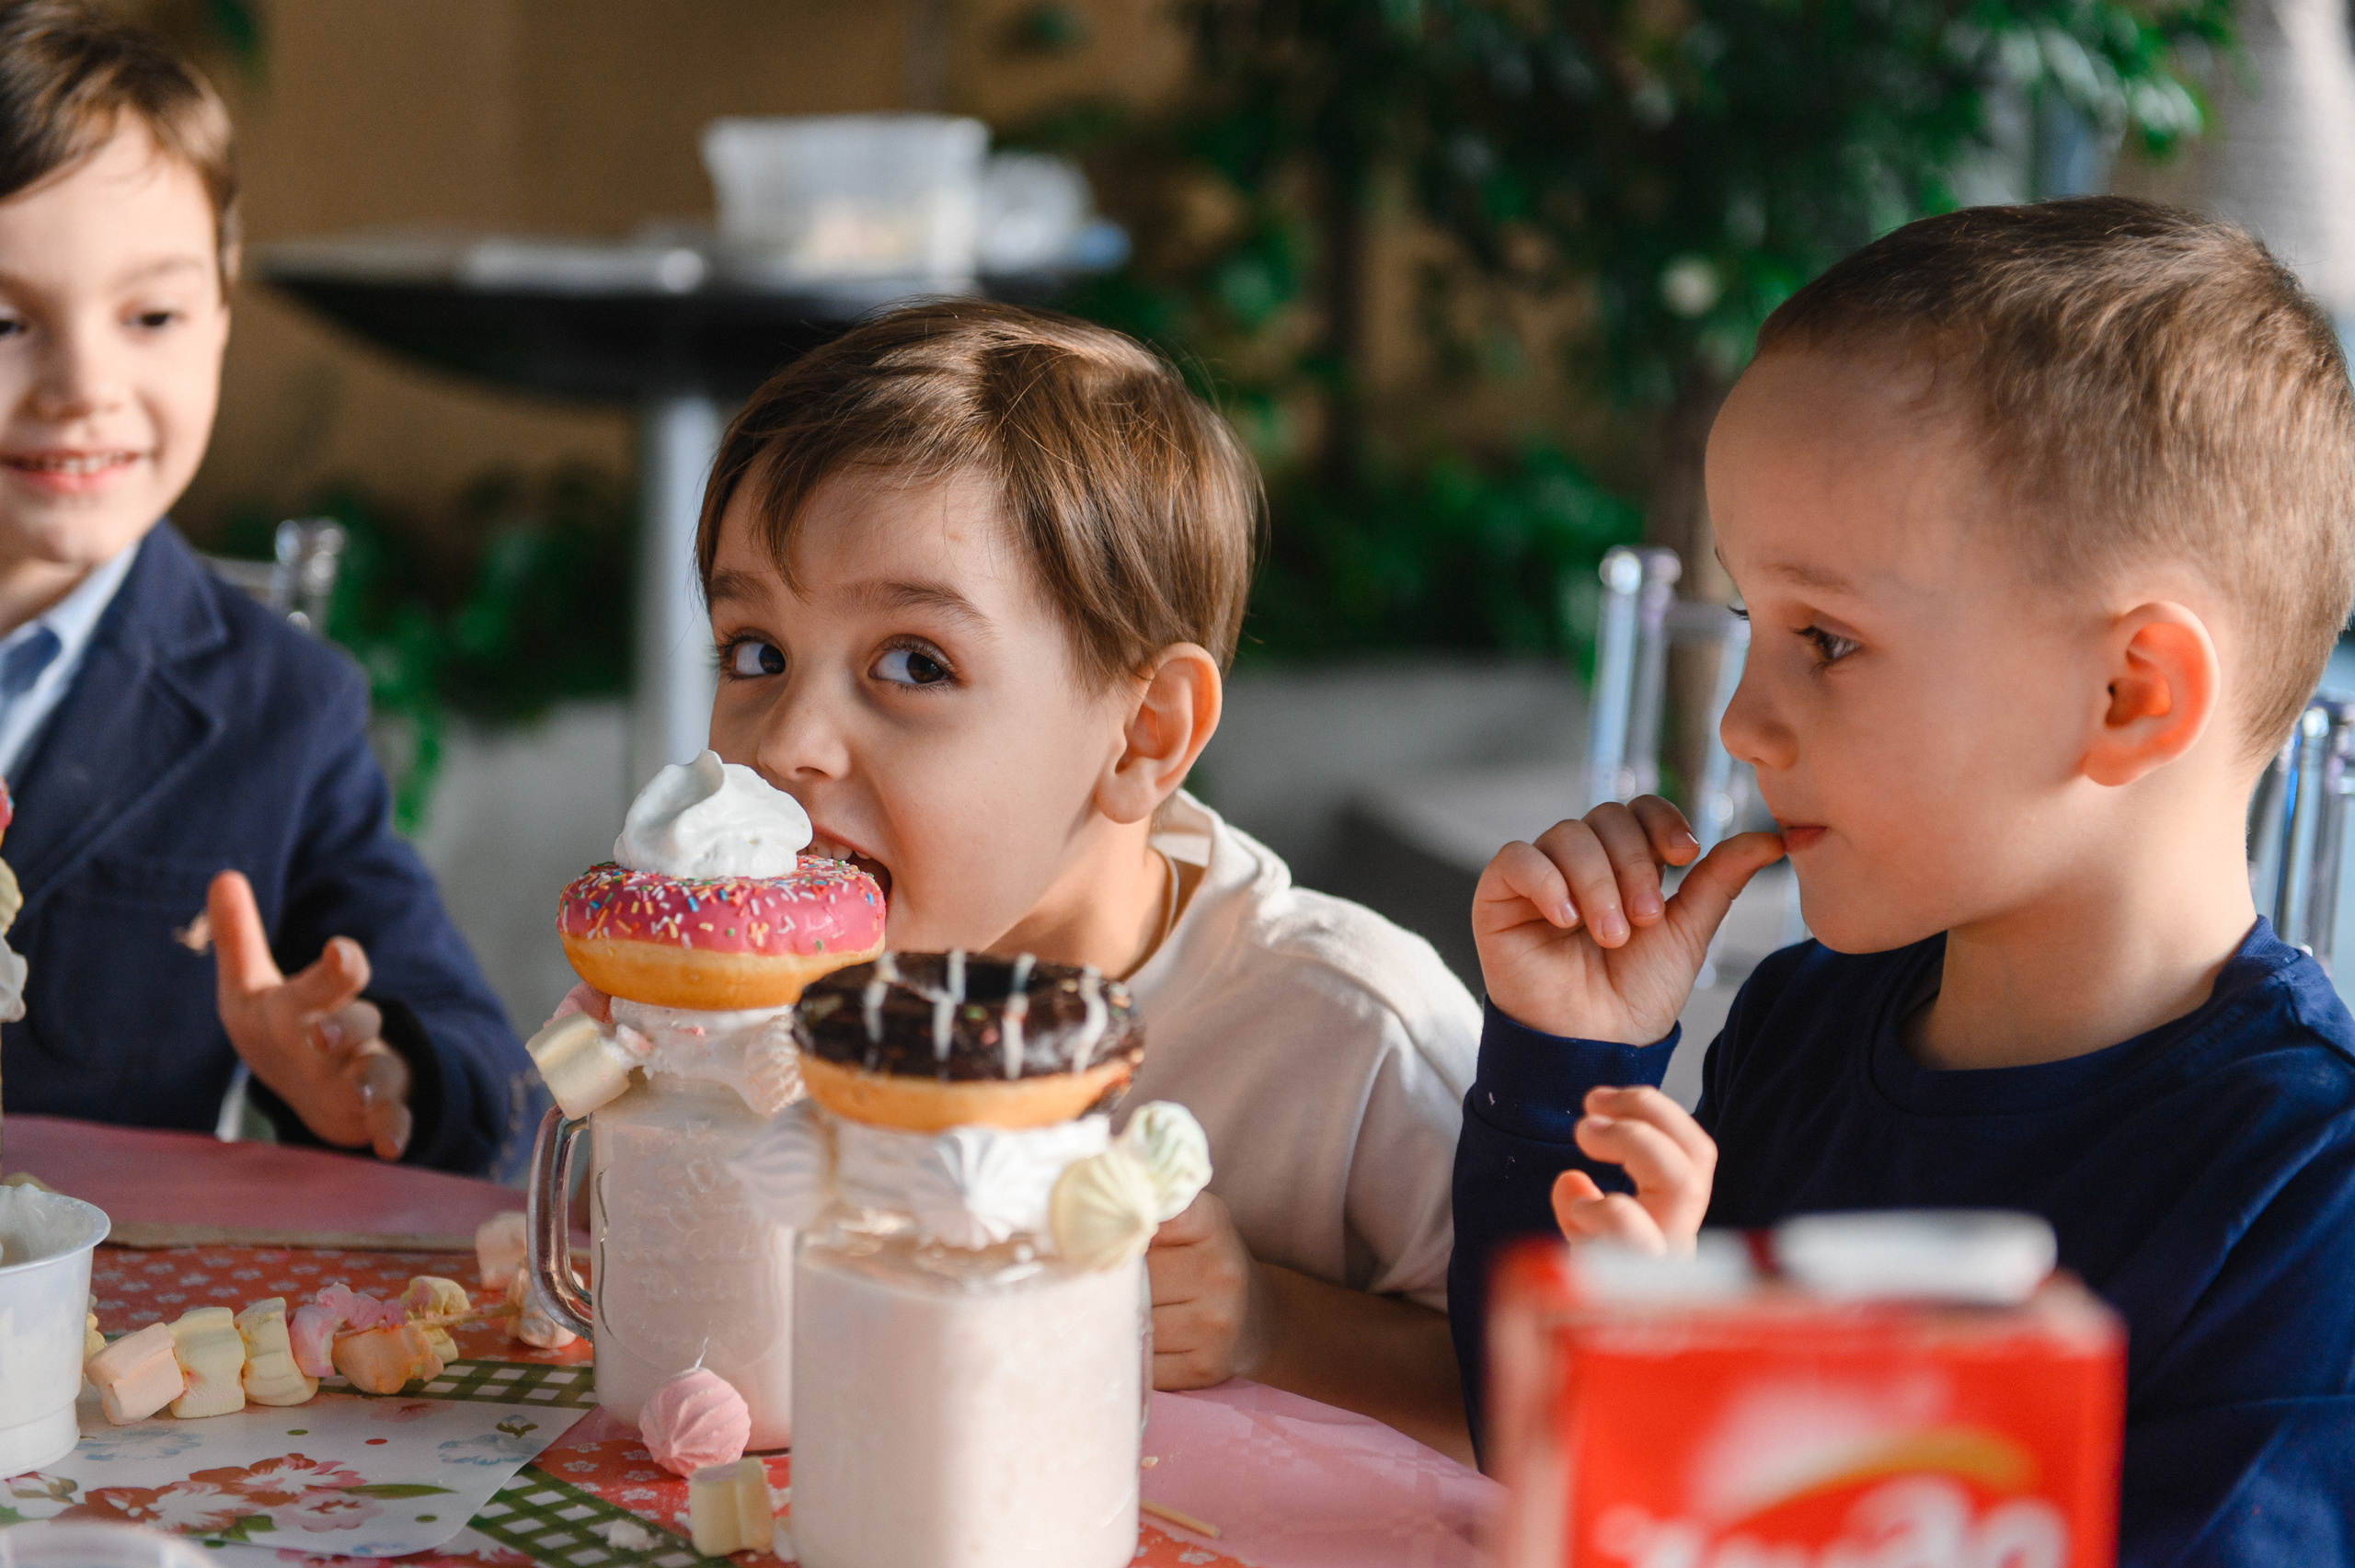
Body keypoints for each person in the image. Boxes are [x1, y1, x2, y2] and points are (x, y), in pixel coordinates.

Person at [1449, 197, 2355, 1562]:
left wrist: (1704, 1402)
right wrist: (1570, 1064)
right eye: (1753, 622)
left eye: (1826, 637)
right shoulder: (1804, 1023)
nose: (1743, 723)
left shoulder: (2306, 1194)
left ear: (2129, 693)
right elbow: (1527, 1461)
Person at [682, 299, 1479, 1459]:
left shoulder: (1352, 1036)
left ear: (1143, 734)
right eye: (756, 651)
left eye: (913, 663)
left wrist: (1276, 1323)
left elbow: (1550, 1393)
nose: (789, 739)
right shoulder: (781, 1008)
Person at [0, 0, 528, 1174]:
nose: (85, 384)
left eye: (152, 315)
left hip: (99, 1330)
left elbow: (488, 1076)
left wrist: (372, 1071)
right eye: (4, 319)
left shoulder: (277, 709)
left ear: (223, 308)